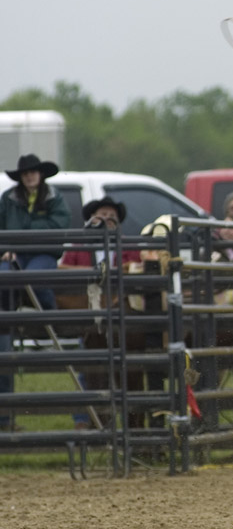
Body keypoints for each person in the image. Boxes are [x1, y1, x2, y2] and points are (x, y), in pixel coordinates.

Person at [0, 154, 71, 431]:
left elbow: (59, 226)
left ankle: (48, 320)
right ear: (21, 176)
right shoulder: (8, 199)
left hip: (40, 253)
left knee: (40, 279)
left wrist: (21, 233)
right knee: (4, 280)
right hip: (15, 254)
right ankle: (8, 320)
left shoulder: (54, 197)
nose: (30, 176)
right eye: (25, 173)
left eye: (33, 172)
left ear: (41, 174)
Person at [59, 196, 143, 429]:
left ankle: (133, 429)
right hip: (91, 320)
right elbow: (62, 270)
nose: (106, 221)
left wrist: (106, 273)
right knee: (94, 371)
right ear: (90, 222)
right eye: (101, 217)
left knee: (130, 372)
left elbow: (137, 271)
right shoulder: (79, 247)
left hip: (124, 324)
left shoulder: (128, 246)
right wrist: (98, 272)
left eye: (111, 218)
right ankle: (99, 427)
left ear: (118, 224)